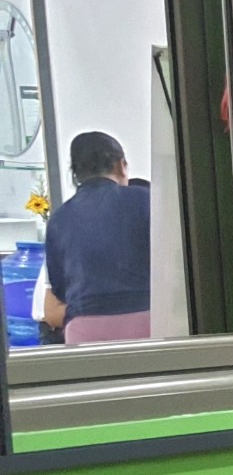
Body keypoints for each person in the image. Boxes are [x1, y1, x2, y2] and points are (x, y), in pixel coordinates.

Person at [42, 132, 153, 345]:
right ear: (121, 166)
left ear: (76, 173)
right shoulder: (144, 199)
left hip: (83, 329)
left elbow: (59, 287)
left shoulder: (59, 218)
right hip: (146, 320)